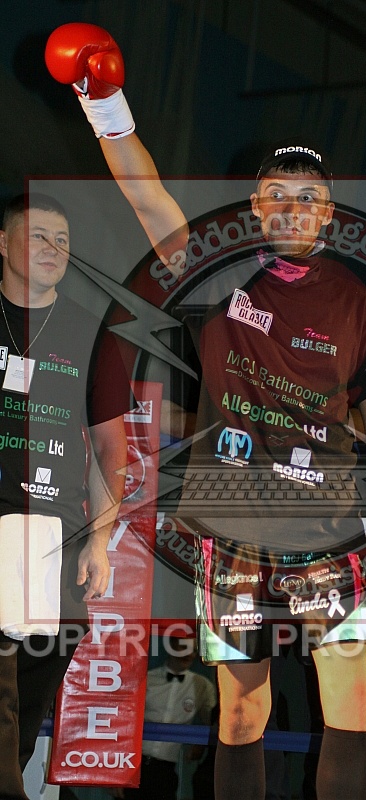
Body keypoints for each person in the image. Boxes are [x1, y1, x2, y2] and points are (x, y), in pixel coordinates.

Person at [45, 23, 366, 800]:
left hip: (334, 518)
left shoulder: (358, 301)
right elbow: (146, 195)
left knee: (351, 701)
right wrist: (105, 102)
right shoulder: (215, 275)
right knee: (239, 713)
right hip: (233, 518)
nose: (294, 210)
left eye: (310, 199)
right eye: (279, 198)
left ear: (328, 215)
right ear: (257, 209)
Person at [0, 191, 131, 800]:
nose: (53, 249)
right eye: (38, 236)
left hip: (52, 542)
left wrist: (99, 541)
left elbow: (110, 450)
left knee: (24, 706)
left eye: (63, 241)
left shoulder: (92, 334)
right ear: (3, 243)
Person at [109, 640, 217, 800]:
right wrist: (116, 771)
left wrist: (201, 743)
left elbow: (213, 721)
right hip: (133, 765)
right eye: (183, 647)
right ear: (171, 647)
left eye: (194, 650)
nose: (189, 654)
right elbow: (123, 723)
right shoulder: (147, 679)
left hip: (166, 771)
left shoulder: (202, 686)